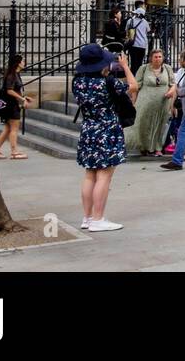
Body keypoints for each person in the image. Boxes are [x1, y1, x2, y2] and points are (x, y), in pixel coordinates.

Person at [72, 43, 137, 231]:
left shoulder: (77, 82)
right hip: (107, 128)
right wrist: (125, 66)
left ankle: (87, 217)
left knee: (89, 174)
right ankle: (98, 219)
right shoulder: (108, 82)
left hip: (89, 128)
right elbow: (133, 86)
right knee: (104, 175)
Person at [126, 49, 175, 157]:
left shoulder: (167, 68)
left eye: (160, 57)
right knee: (144, 124)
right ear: (151, 58)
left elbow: (173, 84)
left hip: (162, 103)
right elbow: (136, 86)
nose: (158, 59)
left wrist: (171, 97)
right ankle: (144, 147)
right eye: (155, 57)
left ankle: (157, 148)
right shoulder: (143, 69)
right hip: (145, 101)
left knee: (159, 125)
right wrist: (134, 102)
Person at [0, 54, 34, 160]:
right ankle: (14, 151)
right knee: (14, 128)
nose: (24, 63)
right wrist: (22, 99)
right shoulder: (12, 75)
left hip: (11, 104)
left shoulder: (15, 74)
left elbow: (15, 90)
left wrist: (24, 97)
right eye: (23, 61)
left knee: (8, 128)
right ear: (18, 63)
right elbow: (9, 90)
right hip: (11, 106)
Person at [126, 0, 150, 75]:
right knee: (140, 63)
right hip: (142, 45)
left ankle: (132, 76)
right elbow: (148, 31)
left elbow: (126, 31)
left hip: (132, 44)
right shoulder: (145, 22)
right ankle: (138, 78)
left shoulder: (130, 21)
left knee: (133, 63)